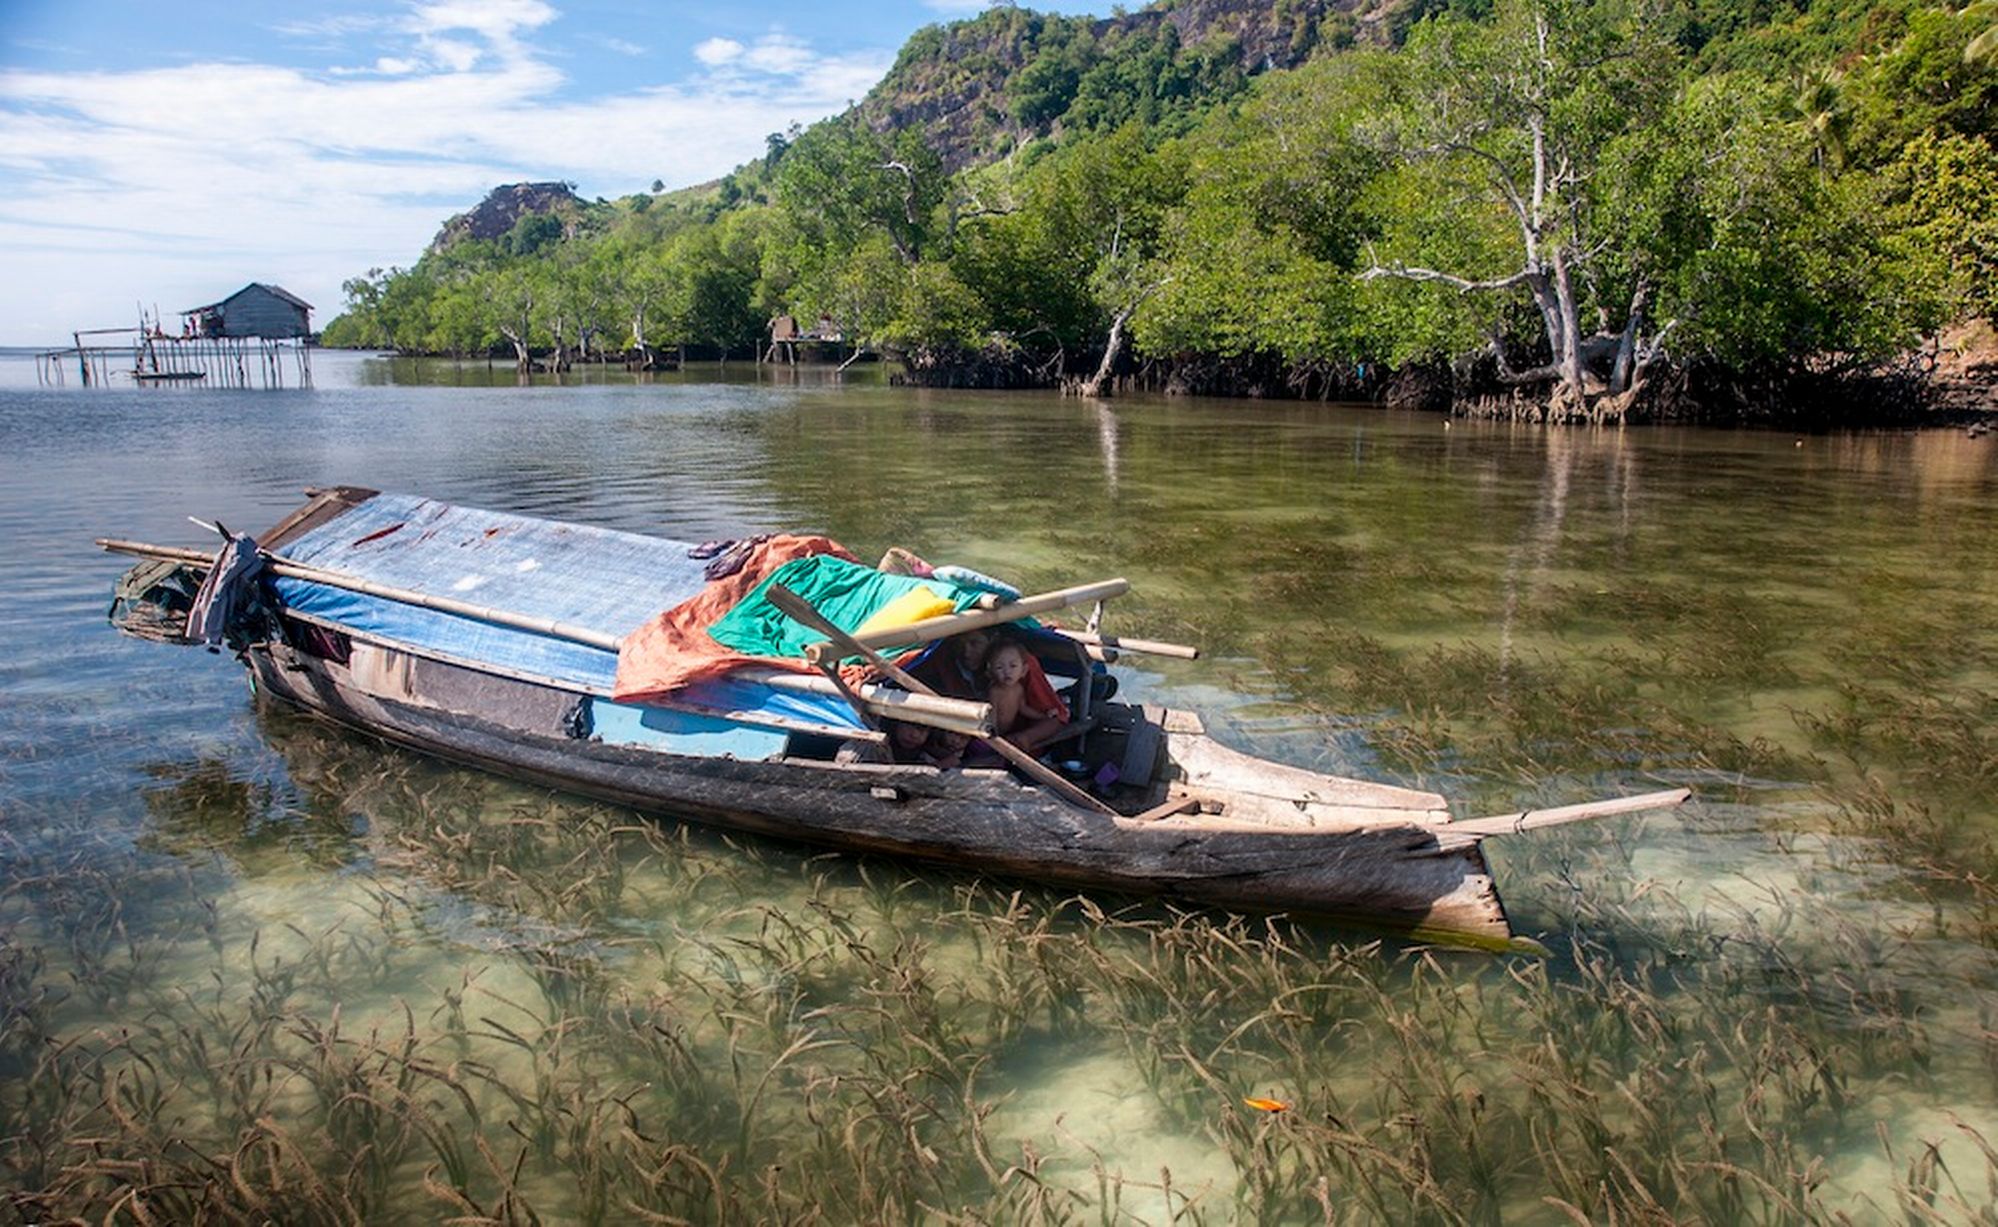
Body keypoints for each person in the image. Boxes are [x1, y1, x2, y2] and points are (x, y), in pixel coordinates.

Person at [985, 640, 1066, 753]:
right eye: (999, 667)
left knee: (1054, 722)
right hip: (996, 734)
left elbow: (1023, 709)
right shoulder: (995, 691)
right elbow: (991, 717)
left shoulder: (1019, 689)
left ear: (1023, 671)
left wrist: (1042, 716)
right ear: (990, 671)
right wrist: (994, 737)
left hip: (1010, 732)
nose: (1007, 672)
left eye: (1013, 666)